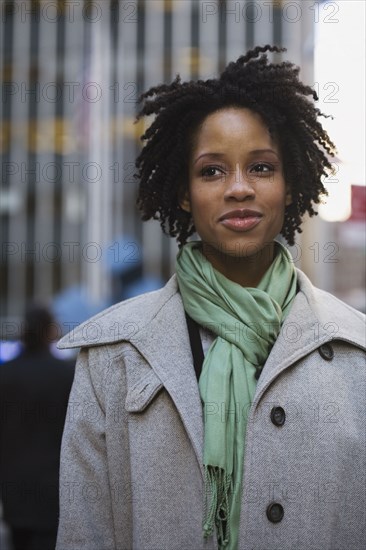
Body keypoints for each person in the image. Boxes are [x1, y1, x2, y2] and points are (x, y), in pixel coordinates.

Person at [55, 45, 365, 550]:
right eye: (212, 171)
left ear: (290, 186)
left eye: (262, 168)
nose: (239, 188)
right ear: (184, 193)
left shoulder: (357, 351)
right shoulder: (111, 356)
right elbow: (84, 533)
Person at [0, 306, 75, 550]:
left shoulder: (5, 374)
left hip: (14, 488)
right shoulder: (67, 374)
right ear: (50, 332)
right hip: (53, 489)